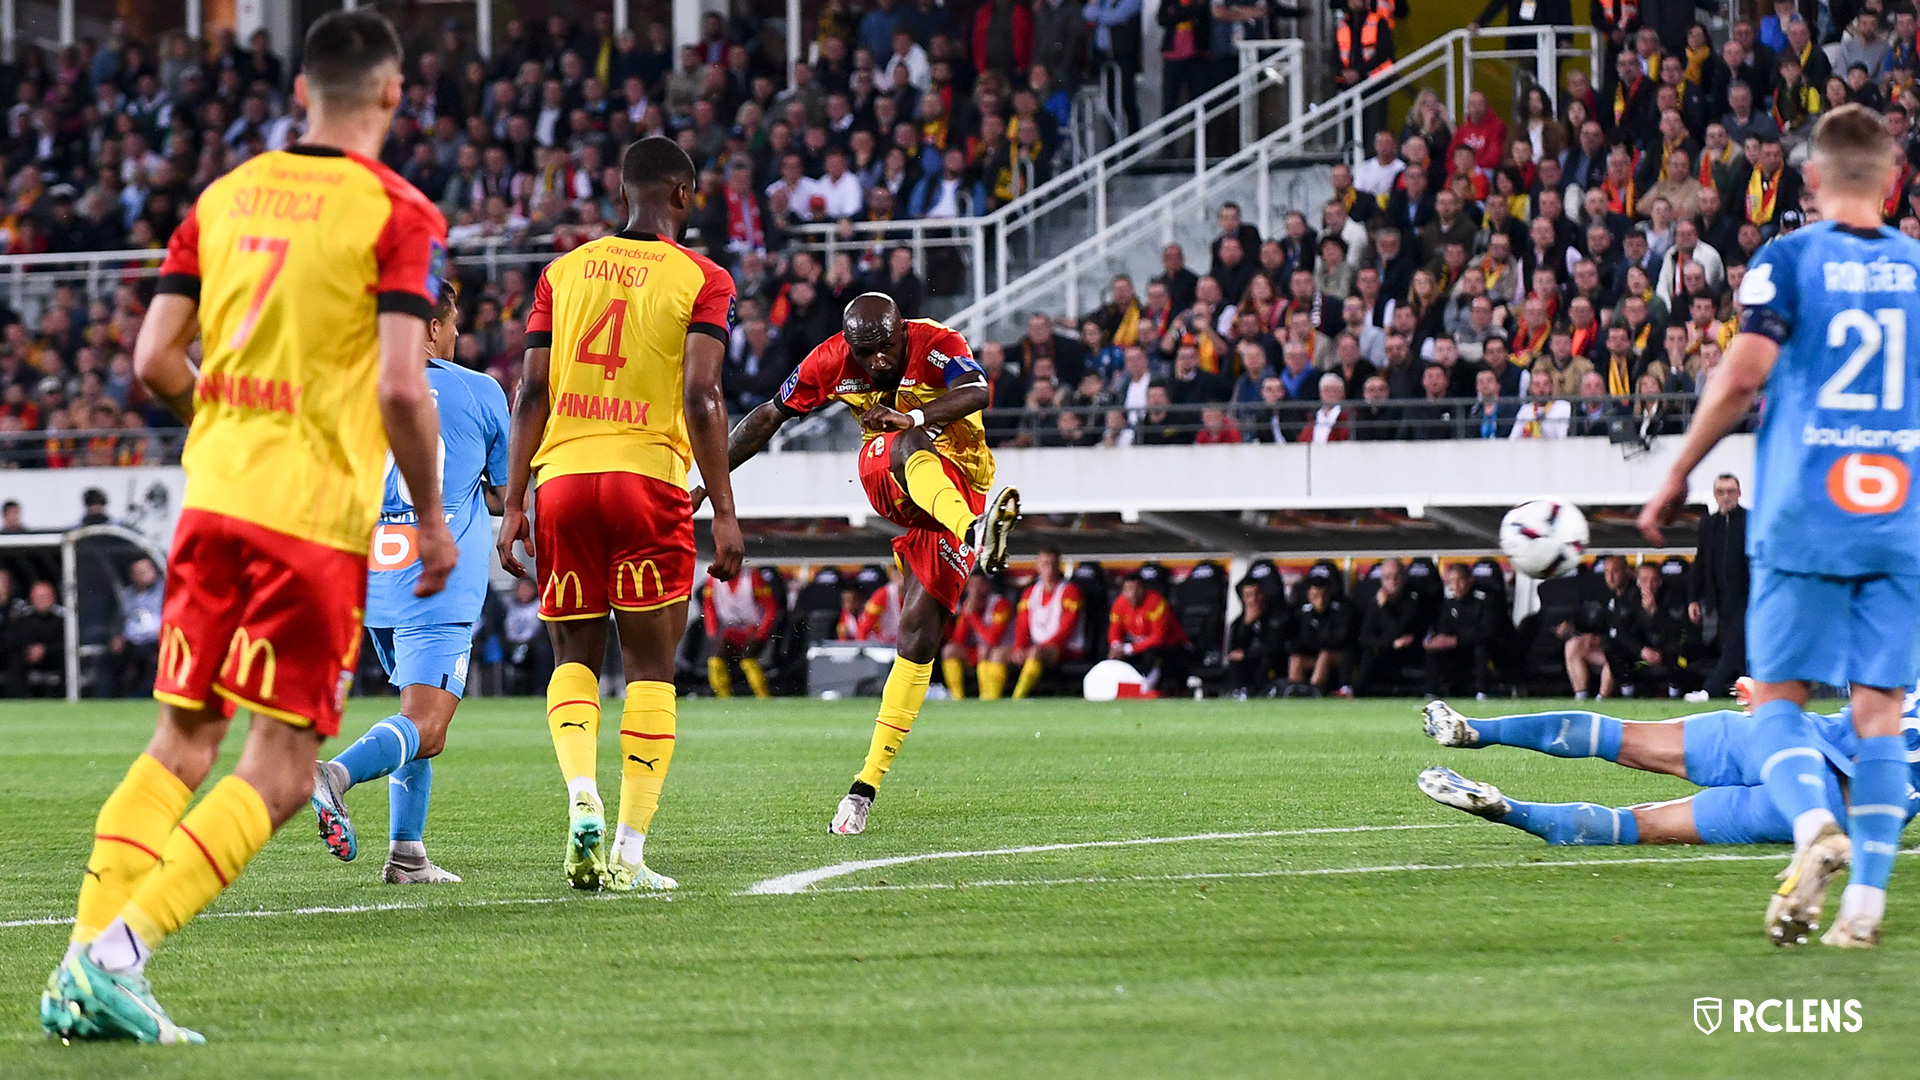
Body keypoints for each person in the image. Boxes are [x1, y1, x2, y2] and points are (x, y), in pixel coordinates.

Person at [41, 11, 454, 1044]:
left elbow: (151, 361)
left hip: (214, 498)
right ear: (392, 96)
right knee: (277, 766)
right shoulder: (397, 211)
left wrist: (226, 423)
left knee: (179, 741)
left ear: (304, 92)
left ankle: (78, 976)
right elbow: (405, 387)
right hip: (308, 520)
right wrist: (437, 519)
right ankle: (117, 954)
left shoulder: (222, 199)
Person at [1639, 105, 1920, 949]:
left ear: (1810, 181)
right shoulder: (1916, 269)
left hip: (1807, 511)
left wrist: (1679, 472)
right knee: (1880, 717)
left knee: (1778, 700)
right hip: (1898, 517)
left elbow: (1741, 378)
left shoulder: (1788, 259)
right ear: (1894, 177)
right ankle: (1864, 906)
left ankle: (1809, 829)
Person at [497, 136, 745, 895]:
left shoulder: (562, 272)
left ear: (620, 189)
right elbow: (703, 396)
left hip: (563, 480)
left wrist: (514, 503)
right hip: (647, 481)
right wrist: (726, 511)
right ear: (683, 195)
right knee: (648, 666)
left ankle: (580, 792)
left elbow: (530, 395)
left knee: (573, 657)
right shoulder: (703, 277)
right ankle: (631, 851)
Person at [715, 295, 1020, 835]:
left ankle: (862, 789)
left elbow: (978, 390)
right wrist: (707, 482)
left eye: (886, 349)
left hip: (962, 487)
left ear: (902, 331)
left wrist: (916, 412)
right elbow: (767, 417)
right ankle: (973, 532)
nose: (877, 362)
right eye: (866, 353)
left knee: (918, 640)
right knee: (900, 441)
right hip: (892, 473)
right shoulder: (831, 360)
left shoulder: (938, 341)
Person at [309, 281, 507, 885]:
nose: (455, 338)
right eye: (450, 326)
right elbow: (504, 492)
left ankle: (408, 854)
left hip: (374, 580)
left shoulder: (347, 393)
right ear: (428, 328)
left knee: (410, 711)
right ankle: (332, 775)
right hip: (437, 576)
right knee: (429, 725)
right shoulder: (477, 390)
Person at [1416, 693, 1917, 849]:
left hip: (1790, 738)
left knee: (1622, 737)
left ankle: (1475, 730)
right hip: (1843, 806)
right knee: (1643, 824)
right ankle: (1510, 811)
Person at [1688, 472, 1749, 700]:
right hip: (1721, 599)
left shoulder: (1749, 521)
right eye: (1721, 492)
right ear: (1715, 495)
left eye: (1731, 492)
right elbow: (1701, 561)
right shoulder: (1708, 524)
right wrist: (1693, 598)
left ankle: (1709, 690)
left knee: (1734, 644)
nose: (1726, 497)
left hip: (1747, 596)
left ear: (1739, 493)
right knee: (1736, 648)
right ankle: (1749, 695)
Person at [1010, 544, 1085, 698]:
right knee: (998, 653)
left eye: (1053, 564)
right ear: (1038, 567)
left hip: (1066, 648)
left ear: (1059, 566)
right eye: (1045, 564)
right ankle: (986, 698)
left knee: (1036, 652)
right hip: (1036, 647)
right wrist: (1019, 647)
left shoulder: (1070, 591)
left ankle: (1017, 697)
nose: (1049, 569)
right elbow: (1022, 624)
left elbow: (1066, 630)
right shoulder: (1029, 593)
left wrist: (1038, 647)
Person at [703, 565, 778, 698]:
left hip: (753, 628)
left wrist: (762, 633)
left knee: (748, 661)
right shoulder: (712, 580)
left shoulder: (752, 577)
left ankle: (763, 696)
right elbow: (708, 607)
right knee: (715, 662)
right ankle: (723, 698)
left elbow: (771, 607)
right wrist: (712, 631)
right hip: (731, 630)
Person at [1107, 572, 1188, 694]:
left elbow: (1158, 637)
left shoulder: (1156, 602)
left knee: (1151, 654)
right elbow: (1114, 630)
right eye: (1128, 590)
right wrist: (1116, 646)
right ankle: (1114, 688)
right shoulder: (1119, 604)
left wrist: (1128, 649)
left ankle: (1146, 689)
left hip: (1170, 646)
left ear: (1144, 589)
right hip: (1138, 646)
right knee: (1109, 653)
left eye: (1136, 589)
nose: (1132, 594)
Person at [942, 571, 1012, 699]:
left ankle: (989, 697)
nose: (975, 590)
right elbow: (958, 640)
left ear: (988, 586)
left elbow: (992, 640)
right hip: (979, 651)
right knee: (949, 650)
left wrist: (973, 616)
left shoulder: (1000, 604)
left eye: (980, 584)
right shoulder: (968, 605)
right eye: (972, 585)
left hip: (1003, 650)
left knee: (987, 650)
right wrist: (965, 615)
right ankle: (957, 698)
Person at [110, 558, 165, 697]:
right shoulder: (127, 595)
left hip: (155, 640)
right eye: (139, 572)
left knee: (151, 661)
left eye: (146, 571)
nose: (143, 575)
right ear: (132, 576)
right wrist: (116, 636)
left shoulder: (165, 591)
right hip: (132, 641)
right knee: (108, 661)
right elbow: (119, 619)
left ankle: (141, 695)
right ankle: (107, 696)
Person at [1225, 580, 1285, 699]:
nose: (1253, 599)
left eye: (1257, 594)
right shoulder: (1238, 624)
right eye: (1248, 595)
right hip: (1248, 664)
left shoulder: (1276, 619)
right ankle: (1240, 692)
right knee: (1235, 662)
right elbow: (1233, 650)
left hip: (1270, 662)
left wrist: (1247, 654)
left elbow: (1275, 647)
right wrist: (1247, 625)